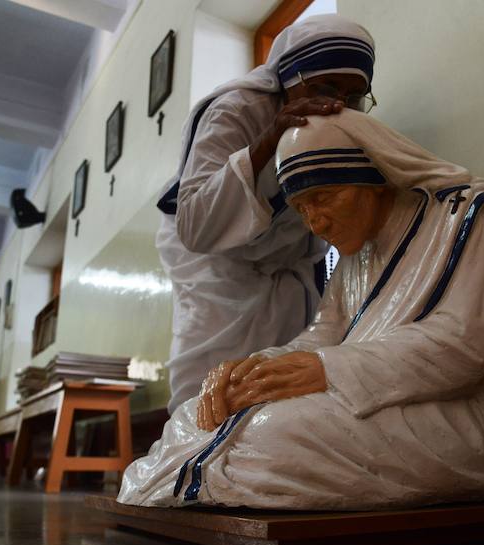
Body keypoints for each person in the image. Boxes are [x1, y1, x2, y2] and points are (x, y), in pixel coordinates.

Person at [118, 110, 484, 510]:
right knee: (196, 413)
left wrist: (327, 369)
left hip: (459, 413)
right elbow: (322, 335)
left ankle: (186, 478)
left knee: (272, 434)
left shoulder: (478, 214)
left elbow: (469, 346)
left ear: (374, 176)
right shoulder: (356, 254)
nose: (315, 223)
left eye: (324, 197)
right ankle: (199, 475)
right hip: (365, 402)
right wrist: (253, 368)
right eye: (302, 209)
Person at [156, 14, 378, 413]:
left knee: (277, 392)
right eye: (325, 86)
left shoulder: (346, 128)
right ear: (290, 81)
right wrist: (268, 142)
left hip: (287, 275)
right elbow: (195, 224)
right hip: (218, 271)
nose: (338, 104)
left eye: (355, 94)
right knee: (203, 396)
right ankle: (188, 468)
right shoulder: (235, 110)